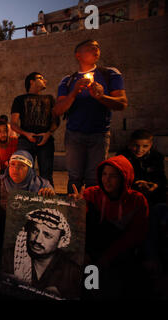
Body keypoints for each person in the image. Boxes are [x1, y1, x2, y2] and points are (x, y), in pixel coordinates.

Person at [0, 150, 55, 297]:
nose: (15, 169)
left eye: (21, 166)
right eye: (13, 165)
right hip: (1, 228)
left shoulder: (42, 186)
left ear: (30, 169)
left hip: (30, 233)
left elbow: (51, 217)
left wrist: (50, 198)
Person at [53, 39, 128, 193]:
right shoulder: (68, 80)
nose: (96, 50)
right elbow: (58, 110)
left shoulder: (110, 74)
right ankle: (73, 211)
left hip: (99, 134)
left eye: (98, 48)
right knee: (74, 177)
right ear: (78, 55)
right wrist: (74, 92)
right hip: (74, 135)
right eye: (91, 48)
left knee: (94, 178)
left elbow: (122, 103)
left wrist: (101, 97)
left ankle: (92, 211)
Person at [70, 155, 149, 298]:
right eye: (104, 174)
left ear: (123, 178)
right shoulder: (91, 193)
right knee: (90, 285)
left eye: (113, 176)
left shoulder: (137, 200)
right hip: (93, 255)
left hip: (120, 254)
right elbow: (80, 227)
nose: (106, 179)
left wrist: (106, 259)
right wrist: (77, 207)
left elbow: (135, 235)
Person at [117, 129, 167, 272]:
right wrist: (136, 185)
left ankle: (151, 257)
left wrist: (154, 185)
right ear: (129, 144)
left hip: (153, 198)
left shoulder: (157, 157)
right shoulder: (122, 156)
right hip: (129, 197)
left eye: (144, 146)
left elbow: (161, 180)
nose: (140, 150)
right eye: (136, 145)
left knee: (154, 216)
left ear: (150, 145)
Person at [7, 208, 82, 299]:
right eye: (35, 231)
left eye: (47, 235)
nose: (37, 240)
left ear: (61, 241)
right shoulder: (10, 258)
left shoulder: (72, 272)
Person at [11, 72, 60, 186]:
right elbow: (13, 123)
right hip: (26, 141)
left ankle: (47, 200)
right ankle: (24, 200)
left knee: (46, 174)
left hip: (46, 141)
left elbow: (56, 120)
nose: (45, 81)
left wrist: (48, 134)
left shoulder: (50, 98)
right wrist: (26, 134)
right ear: (31, 81)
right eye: (41, 78)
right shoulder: (19, 99)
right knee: (24, 173)